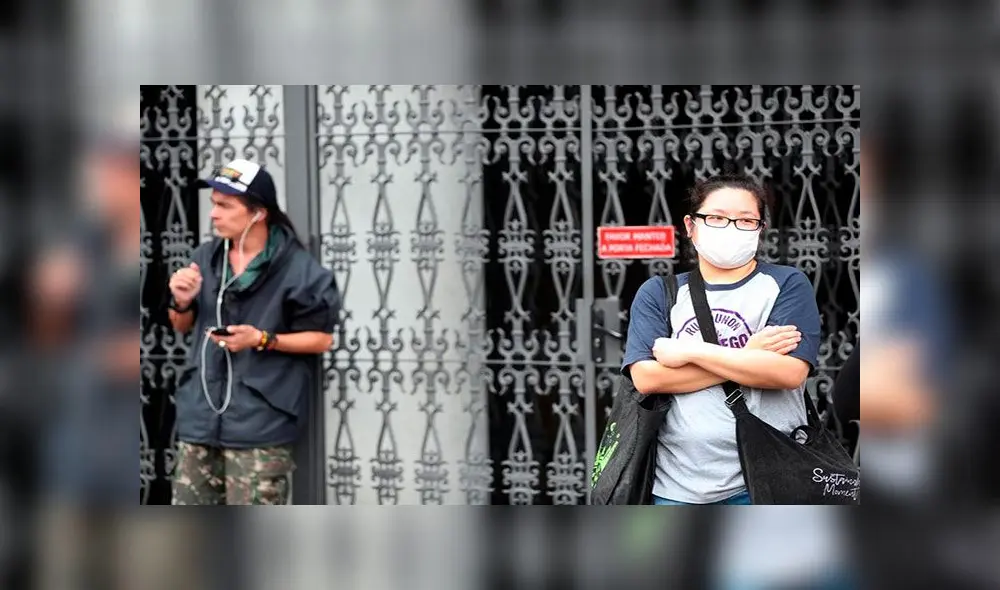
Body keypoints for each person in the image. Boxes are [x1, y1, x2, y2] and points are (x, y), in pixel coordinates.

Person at [622, 173, 822, 505]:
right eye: (716, 218)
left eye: (745, 220)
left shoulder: (787, 284)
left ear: (760, 228)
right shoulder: (659, 292)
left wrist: (691, 351)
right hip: (676, 483)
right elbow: (647, 378)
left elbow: (787, 373)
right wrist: (749, 354)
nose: (731, 228)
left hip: (768, 477)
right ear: (690, 225)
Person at [168, 158, 340, 505]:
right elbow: (181, 325)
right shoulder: (205, 257)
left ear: (258, 213)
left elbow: (322, 339)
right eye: (213, 204)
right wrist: (181, 301)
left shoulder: (297, 268)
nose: (213, 214)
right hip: (201, 419)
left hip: (259, 426)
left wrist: (261, 339)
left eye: (225, 206)